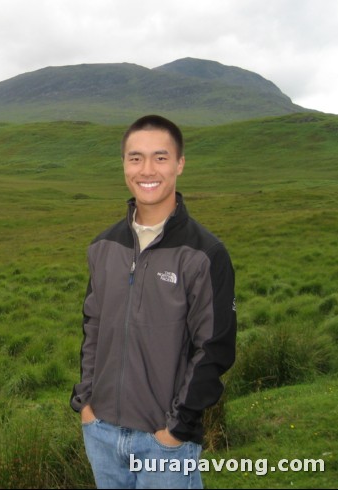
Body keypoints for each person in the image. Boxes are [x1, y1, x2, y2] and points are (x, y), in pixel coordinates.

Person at [70, 114, 236, 489]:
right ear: (124, 164)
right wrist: (86, 406)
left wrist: (175, 429)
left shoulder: (205, 254)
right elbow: (93, 326)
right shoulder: (103, 247)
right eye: (135, 158)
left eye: (160, 158)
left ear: (180, 164)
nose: (147, 169)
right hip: (101, 434)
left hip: (164, 444)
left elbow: (214, 349)